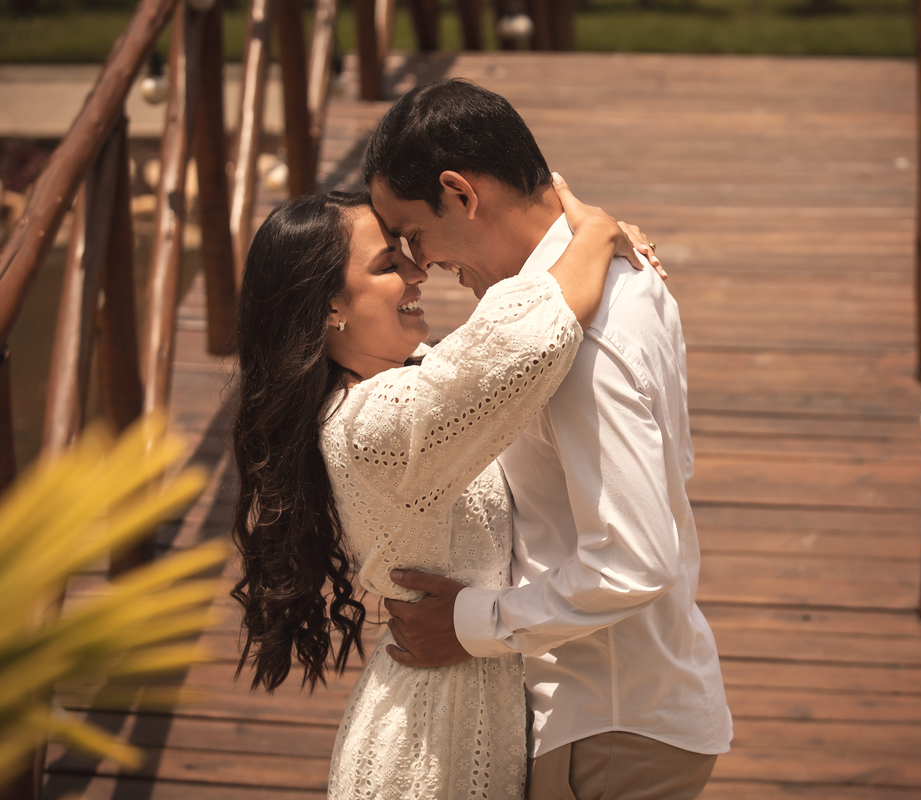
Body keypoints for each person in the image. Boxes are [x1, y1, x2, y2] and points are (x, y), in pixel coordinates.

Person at [365, 79, 733, 800]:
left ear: (460, 193)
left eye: (414, 233)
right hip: (626, 708)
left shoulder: (579, 343)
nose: (421, 263)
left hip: (609, 724)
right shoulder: (612, 274)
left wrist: (466, 624)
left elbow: (632, 561)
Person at [230, 183, 659, 799]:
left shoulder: (411, 377)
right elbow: (525, 343)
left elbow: (493, 340)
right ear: (329, 308)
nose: (417, 272)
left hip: (463, 709)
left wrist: (594, 258)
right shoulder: (370, 425)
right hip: (425, 750)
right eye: (388, 264)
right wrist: (594, 235)